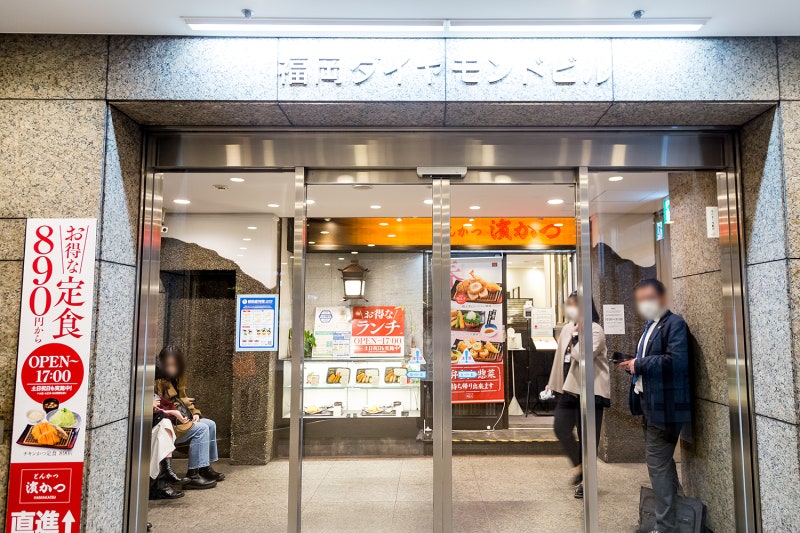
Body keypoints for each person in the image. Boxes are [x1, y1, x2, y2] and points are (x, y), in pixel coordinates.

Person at [616, 279, 691, 533]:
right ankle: (674, 517)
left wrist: (638, 364)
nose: (644, 304)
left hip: (666, 407)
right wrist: (632, 364)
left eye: (649, 298)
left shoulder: (674, 324)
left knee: (657, 465)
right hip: (649, 403)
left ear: (661, 298)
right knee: (662, 464)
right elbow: (650, 360)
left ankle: (666, 525)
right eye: (640, 299)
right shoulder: (650, 326)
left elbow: (676, 361)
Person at [545, 291, 610, 499]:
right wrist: (552, 383)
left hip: (589, 391)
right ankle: (580, 465)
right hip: (568, 389)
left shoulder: (595, 330)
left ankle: (587, 482)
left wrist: (575, 337)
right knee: (560, 428)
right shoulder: (566, 328)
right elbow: (559, 358)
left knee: (587, 437)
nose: (571, 309)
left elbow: (583, 355)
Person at [154, 345, 225, 490]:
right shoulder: (159, 380)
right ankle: (193, 475)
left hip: (180, 418)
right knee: (202, 429)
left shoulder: (178, 378)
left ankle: (204, 467)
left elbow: (184, 400)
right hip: (169, 423)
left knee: (210, 424)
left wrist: (196, 413)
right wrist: (178, 414)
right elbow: (161, 407)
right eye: (168, 365)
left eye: (174, 365)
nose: (171, 368)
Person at [149, 394, 187, 500]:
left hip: (154, 427)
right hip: (136, 431)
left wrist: (173, 412)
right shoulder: (139, 391)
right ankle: (164, 478)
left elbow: (166, 406)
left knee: (163, 430)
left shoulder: (152, 394)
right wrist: (147, 405)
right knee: (164, 427)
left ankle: (165, 475)